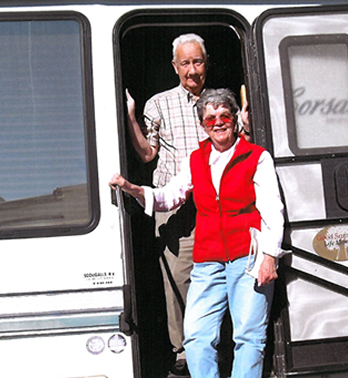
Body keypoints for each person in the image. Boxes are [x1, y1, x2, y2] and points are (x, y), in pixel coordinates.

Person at [112, 88, 286, 378]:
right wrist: (134, 190)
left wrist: (270, 256)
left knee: (249, 337)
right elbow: (170, 195)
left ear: (234, 120)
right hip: (208, 261)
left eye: (224, 116)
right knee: (195, 337)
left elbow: (272, 209)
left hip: (249, 257)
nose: (218, 123)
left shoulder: (256, 157)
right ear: (203, 124)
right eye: (210, 119)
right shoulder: (196, 159)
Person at [124, 33, 248, 377]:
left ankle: (221, 346)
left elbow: (238, 144)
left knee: (222, 273)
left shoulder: (219, 101)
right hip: (176, 203)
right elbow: (148, 153)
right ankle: (183, 350)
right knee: (179, 278)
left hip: (219, 200)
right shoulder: (159, 103)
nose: (192, 70)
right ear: (174, 66)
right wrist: (132, 117)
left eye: (198, 62)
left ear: (206, 64)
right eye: (185, 63)